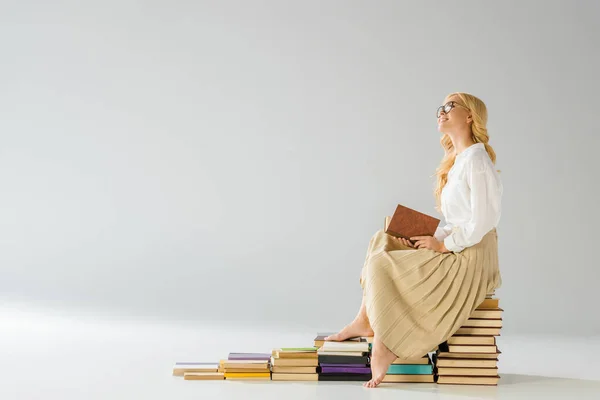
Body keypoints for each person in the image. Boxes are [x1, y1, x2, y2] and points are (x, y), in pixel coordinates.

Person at [325, 92, 503, 388]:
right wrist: (432, 236)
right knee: (383, 238)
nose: (442, 112)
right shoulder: (459, 160)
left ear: (470, 115)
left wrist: (443, 245)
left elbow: (482, 223)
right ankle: (365, 320)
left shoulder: (477, 160)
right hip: (459, 241)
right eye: (441, 107)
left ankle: (385, 343)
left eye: (450, 106)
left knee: (382, 264)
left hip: (472, 255)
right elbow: (460, 220)